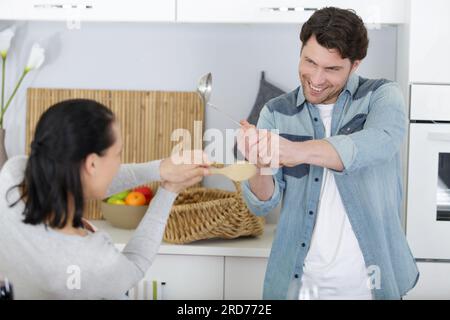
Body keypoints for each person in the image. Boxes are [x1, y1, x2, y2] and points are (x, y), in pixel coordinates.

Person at [238, 7, 419, 300]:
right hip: (299, 286)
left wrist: (296, 151)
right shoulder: (276, 111)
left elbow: (378, 143)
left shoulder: (381, 97)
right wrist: (259, 163)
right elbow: (262, 204)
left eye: (332, 69)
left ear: (355, 64)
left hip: (370, 285)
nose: (316, 78)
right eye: (309, 62)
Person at [0, 99, 210, 299]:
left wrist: (161, 169)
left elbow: (75, 177)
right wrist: (168, 191)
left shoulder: (12, 175)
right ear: (91, 164)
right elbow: (133, 268)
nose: (119, 162)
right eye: (118, 154)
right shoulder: (94, 257)